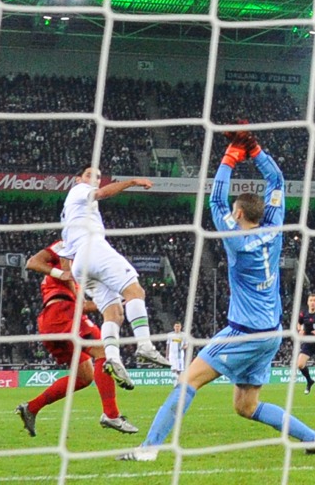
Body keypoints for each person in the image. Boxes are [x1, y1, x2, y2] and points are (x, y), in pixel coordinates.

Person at [118, 128, 315, 461]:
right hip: (270, 334)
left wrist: (231, 155)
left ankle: (149, 449)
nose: (229, 213)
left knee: (186, 382)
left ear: (239, 214)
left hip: (243, 334)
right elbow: (277, 182)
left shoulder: (236, 239)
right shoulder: (274, 227)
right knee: (246, 406)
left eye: (233, 211)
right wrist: (255, 150)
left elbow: (215, 199)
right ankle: (313, 437)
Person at [59, 166, 170, 390]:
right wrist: (132, 181)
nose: (95, 180)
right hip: (93, 247)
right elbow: (100, 193)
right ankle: (145, 345)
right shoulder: (80, 190)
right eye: (90, 175)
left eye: (99, 177)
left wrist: (73, 280)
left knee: (114, 313)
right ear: (78, 179)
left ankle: (113, 358)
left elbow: (65, 257)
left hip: (80, 264)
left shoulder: (69, 214)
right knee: (135, 291)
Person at [15, 241, 138, 437]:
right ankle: (111, 414)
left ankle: (31, 408)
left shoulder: (79, 272)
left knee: (85, 377)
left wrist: (114, 302)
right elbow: (32, 262)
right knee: (104, 353)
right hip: (62, 313)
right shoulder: (67, 245)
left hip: (53, 319)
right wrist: (60, 274)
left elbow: (84, 305)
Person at [166, 322, 189, 387]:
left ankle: (180, 383)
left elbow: (186, 344)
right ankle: (175, 384)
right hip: (172, 355)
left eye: (178, 326)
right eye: (176, 326)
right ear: (174, 327)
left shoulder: (183, 335)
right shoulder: (170, 335)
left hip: (180, 355)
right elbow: (168, 345)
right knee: (173, 369)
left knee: (180, 371)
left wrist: (183, 347)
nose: (177, 328)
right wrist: (167, 355)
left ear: (180, 327)